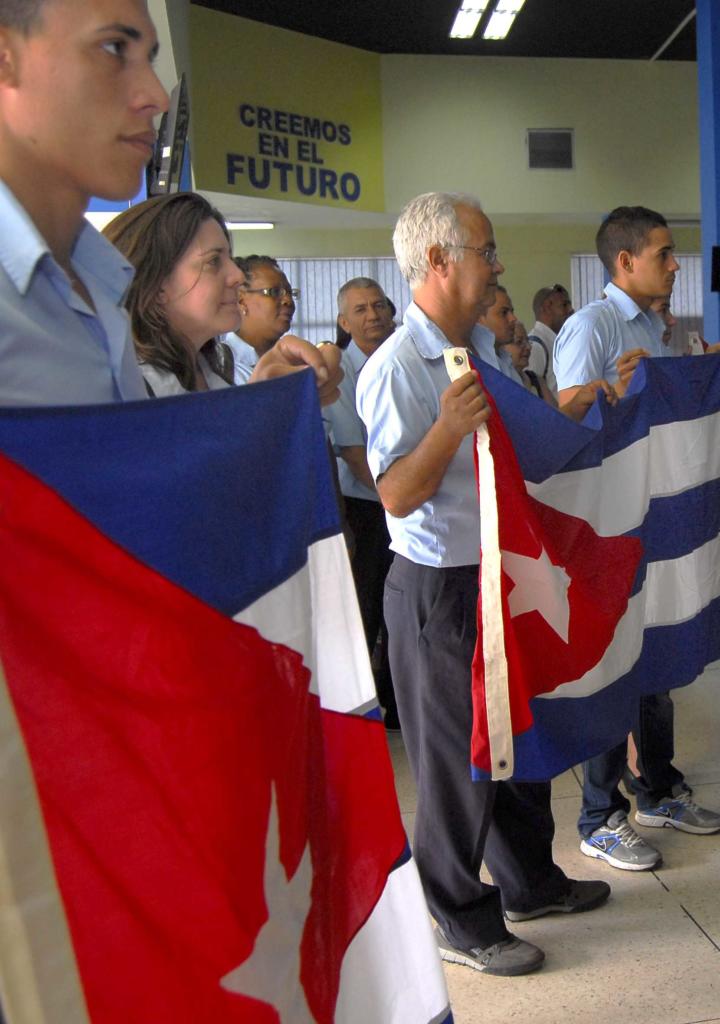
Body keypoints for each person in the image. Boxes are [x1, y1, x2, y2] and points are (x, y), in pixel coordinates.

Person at [357, 191, 610, 978]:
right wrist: (445, 427)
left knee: (513, 741)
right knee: (455, 764)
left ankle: (530, 880)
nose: (496, 265)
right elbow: (396, 492)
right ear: (437, 261)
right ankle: (458, 917)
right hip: (438, 588)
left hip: (498, 574)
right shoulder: (397, 366)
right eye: (485, 250)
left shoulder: (483, 353)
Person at [0, 0, 341, 409]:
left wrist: (254, 405)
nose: (157, 97)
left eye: (148, 59)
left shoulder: (99, 291)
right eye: (112, 49)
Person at [554, 206, 720, 870]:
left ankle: (657, 786)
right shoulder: (590, 326)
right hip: (610, 524)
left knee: (659, 655)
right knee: (614, 663)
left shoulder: (663, 327)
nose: (677, 264)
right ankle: (600, 816)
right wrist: (606, 390)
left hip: (659, 518)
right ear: (624, 262)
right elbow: (564, 413)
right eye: (664, 253)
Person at [323, 277, 399, 728]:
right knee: (366, 609)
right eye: (360, 310)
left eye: (379, 306)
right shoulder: (342, 373)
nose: (372, 316)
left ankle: (395, 701)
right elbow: (355, 454)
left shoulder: (396, 361)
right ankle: (358, 714)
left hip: (402, 500)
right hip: (369, 507)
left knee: (397, 612)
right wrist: (402, 498)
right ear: (343, 321)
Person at [103, 193, 241, 395]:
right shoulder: (120, 396)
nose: (237, 275)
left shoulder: (212, 376)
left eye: (230, 258)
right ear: (157, 284)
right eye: (213, 262)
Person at [527, 284, 574, 396]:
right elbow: (532, 394)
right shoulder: (535, 347)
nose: (571, 310)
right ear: (547, 307)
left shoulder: (556, 343)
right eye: (564, 305)